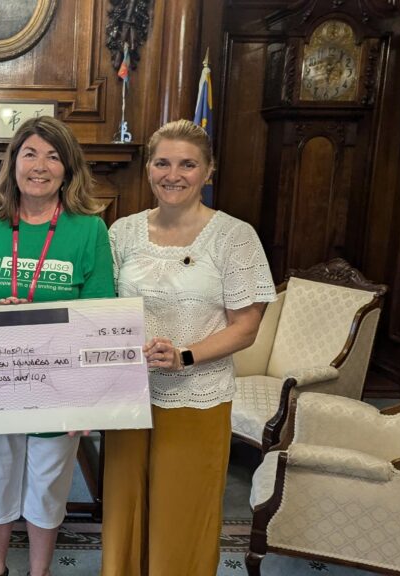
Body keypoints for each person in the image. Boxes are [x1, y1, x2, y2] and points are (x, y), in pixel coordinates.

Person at [102, 119, 276, 575]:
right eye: (162, 162)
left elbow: (246, 326)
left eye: (187, 164)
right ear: (148, 168)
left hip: (196, 395)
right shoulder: (121, 232)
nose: (172, 174)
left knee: (183, 509)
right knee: (125, 507)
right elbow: (101, 308)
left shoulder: (235, 236)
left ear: (208, 172)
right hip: (127, 396)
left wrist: (184, 356)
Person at [0, 116, 115, 576]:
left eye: (53, 155)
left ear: (68, 168)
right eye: (30, 153)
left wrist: (88, 398)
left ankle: (38, 572)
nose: (40, 165)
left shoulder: (89, 231)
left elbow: (99, 315)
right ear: (14, 163)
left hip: (58, 383)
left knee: (47, 484)